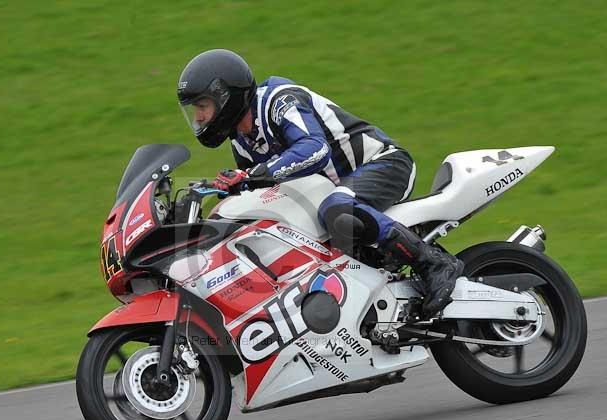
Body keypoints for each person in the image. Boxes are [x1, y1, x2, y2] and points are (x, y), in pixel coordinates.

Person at [177, 49, 463, 318]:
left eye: (203, 106)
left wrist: (253, 175)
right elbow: (259, 192)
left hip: (383, 164)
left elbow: (314, 149)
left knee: (337, 208)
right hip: (336, 191)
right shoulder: (242, 141)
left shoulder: (278, 101)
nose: (199, 117)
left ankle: (433, 262)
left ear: (226, 97)